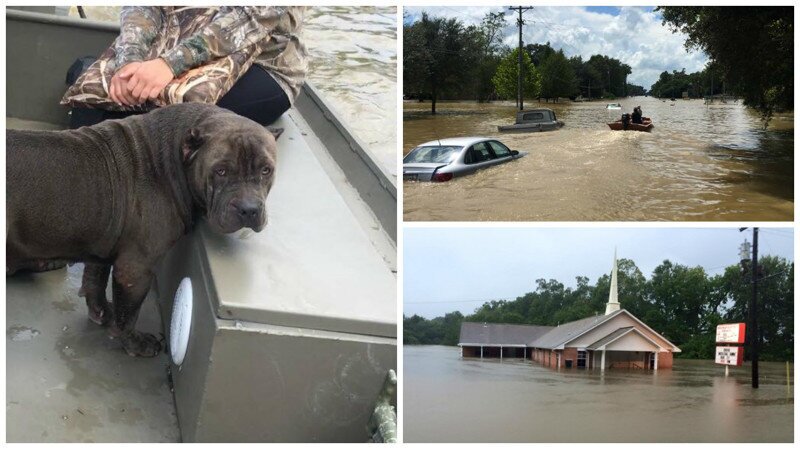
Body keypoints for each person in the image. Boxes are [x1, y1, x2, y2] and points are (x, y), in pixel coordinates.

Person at [68, 6, 308, 129]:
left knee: (168, 113)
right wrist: (130, 60)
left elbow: (249, 19)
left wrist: (169, 65)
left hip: (261, 67)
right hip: (173, 49)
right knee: (87, 80)